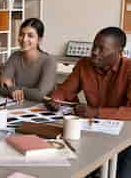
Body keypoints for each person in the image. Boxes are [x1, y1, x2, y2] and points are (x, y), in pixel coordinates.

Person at [47, 27, 131, 178]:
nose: (94, 52)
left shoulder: (129, 68)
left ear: (120, 52)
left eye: (102, 49)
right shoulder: (84, 64)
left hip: (125, 137)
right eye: (94, 46)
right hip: (94, 131)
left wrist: (96, 112)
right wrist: (56, 98)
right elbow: (66, 89)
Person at [0, 18, 56, 102]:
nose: (24, 39)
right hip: (21, 106)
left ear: (39, 39)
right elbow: (0, 87)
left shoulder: (49, 61)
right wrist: (20, 91)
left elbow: (40, 95)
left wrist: (13, 88)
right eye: (21, 34)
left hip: (43, 109)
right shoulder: (15, 56)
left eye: (30, 36)